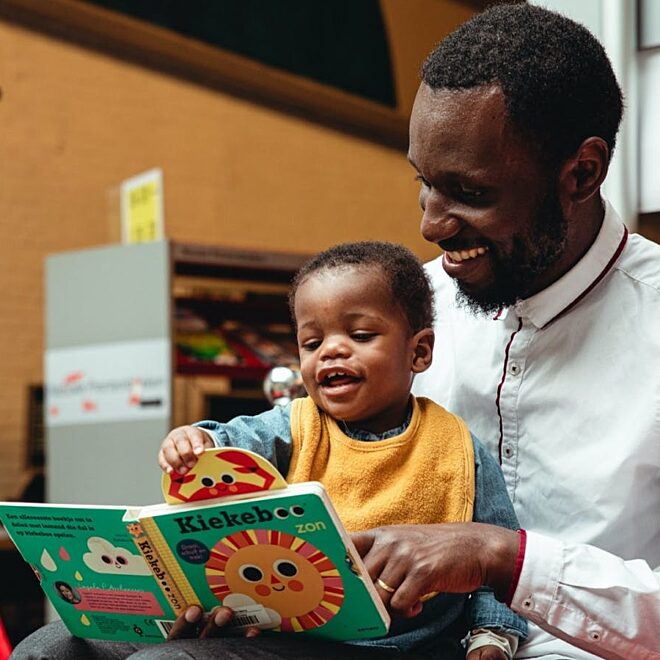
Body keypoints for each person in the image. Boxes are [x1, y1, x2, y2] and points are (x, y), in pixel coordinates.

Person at [11, 242, 527, 659]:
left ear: (419, 351)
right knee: (51, 644)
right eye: (311, 342)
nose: (331, 350)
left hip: (391, 646)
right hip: (270, 630)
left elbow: (494, 562)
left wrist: (492, 638)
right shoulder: (295, 422)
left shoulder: (458, 450)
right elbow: (236, 441)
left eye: (361, 333)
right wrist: (199, 442)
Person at [352, 4, 659, 660]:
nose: (432, 226)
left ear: (581, 173)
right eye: (425, 184)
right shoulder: (408, 305)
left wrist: (504, 558)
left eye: (468, 192)